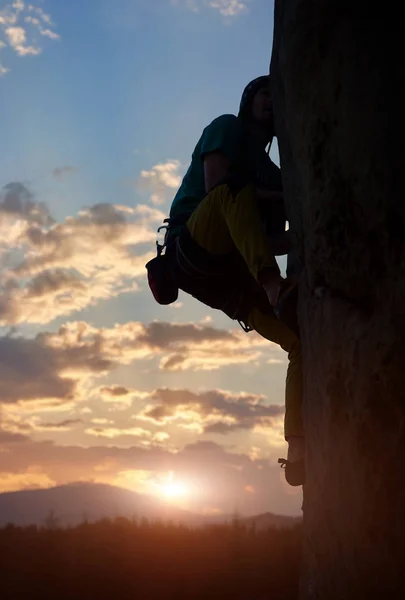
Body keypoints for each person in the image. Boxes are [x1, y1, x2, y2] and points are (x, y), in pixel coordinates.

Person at [163, 75, 304, 486]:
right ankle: (276, 290)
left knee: (298, 344)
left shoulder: (274, 172)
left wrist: (305, 233)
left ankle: (298, 452)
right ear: (248, 99)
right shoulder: (227, 127)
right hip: (194, 246)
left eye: (280, 95)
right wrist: (289, 200)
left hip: (231, 279)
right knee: (229, 193)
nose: (273, 102)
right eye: (265, 93)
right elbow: (217, 192)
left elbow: (266, 239)